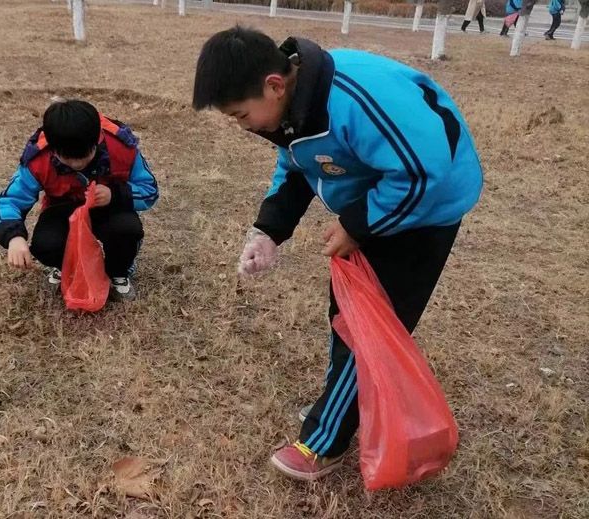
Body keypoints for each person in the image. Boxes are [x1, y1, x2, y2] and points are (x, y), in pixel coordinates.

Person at [192, 27, 483, 481]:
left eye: (240, 114)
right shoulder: (294, 105)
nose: (241, 125)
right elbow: (297, 167)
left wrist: (355, 225)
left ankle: (324, 442)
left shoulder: (354, 98)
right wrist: (267, 231)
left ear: (273, 84)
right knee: (346, 314)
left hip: (425, 208)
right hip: (376, 197)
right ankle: (340, 405)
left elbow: (423, 175)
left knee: (369, 325)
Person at [0, 99, 158, 301]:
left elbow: (150, 190)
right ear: (52, 148)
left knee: (127, 230)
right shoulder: (37, 160)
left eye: (84, 156)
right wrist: (14, 237)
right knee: (46, 244)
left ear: (98, 139)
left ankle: (118, 272)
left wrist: (115, 194)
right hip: (62, 209)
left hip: (109, 209)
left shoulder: (122, 147)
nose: (77, 164)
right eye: (66, 158)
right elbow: (8, 201)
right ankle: (66, 268)